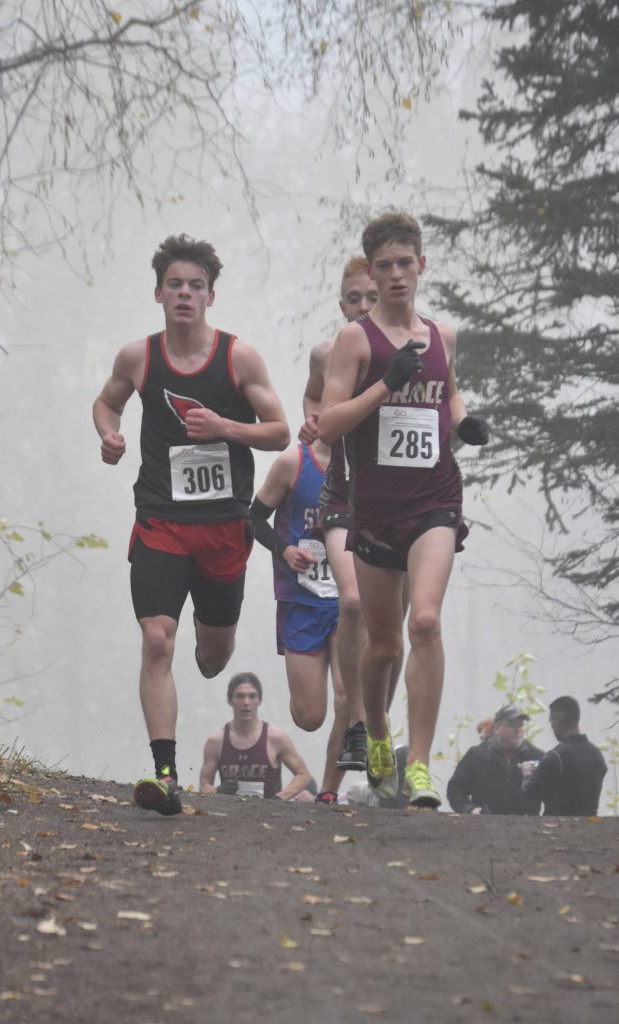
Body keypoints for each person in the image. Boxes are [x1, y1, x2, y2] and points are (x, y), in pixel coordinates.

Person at [93, 234, 289, 815]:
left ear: (210, 295)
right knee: (157, 640)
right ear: (158, 292)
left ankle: (212, 644)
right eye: (175, 284)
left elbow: (279, 432)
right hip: (161, 520)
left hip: (225, 526)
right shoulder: (139, 356)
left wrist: (226, 427)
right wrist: (108, 433)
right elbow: (107, 402)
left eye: (195, 285)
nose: (184, 293)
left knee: (212, 656)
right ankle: (164, 773)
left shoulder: (238, 357)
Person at [317, 212, 490, 807]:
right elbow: (329, 422)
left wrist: (466, 420)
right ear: (371, 270)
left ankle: (419, 766)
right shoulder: (355, 340)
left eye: (405, 263)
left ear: (423, 266)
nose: (396, 275)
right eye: (384, 266)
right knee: (384, 645)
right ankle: (380, 734)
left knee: (426, 621)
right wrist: (385, 383)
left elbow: (449, 388)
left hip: (435, 497)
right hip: (374, 509)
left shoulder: (442, 335)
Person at [299, 257, 406, 777]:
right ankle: (358, 723)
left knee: (394, 631)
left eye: (370, 296)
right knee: (355, 601)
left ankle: (381, 721)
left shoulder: (415, 347)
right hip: (344, 494)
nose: (363, 306)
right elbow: (313, 403)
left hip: (404, 502)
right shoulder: (331, 352)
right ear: (340, 304)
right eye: (353, 299)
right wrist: (309, 427)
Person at [250, 438, 344, 804]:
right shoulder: (293, 463)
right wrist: (285, 549)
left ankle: (330, 790)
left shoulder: (362, 460)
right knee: (310, 716)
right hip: (302, 600)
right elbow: (254, 518)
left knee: (348, 697)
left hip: (347, 599)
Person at [199, 672, 312, 800]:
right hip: (230, 814)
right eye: (240, 696)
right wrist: (217, 790)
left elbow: (303, 775)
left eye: (252, 696)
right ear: (230, 700)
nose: (246, 702)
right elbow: (204, 785)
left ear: (259, 700)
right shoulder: (216, 741)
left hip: (270, 815)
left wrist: (279, 798)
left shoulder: (276, 738)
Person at [446, 705, 544, 815]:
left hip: (527, 828)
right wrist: (469, 809)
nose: (518, 730)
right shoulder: (477, 755)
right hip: (484, 827)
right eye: (512, 725)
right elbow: (455, 790)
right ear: (497, 728)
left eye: (521, 725)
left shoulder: (536, 756)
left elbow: (553, 793)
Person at [523, 696, 607, 816]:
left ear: (558, 720)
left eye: (551, 721)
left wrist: (527, 776)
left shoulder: (555, 756)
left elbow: (531, 793)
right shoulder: (596, 755)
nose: (551, 726)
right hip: (590, 827)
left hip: (558, 829)